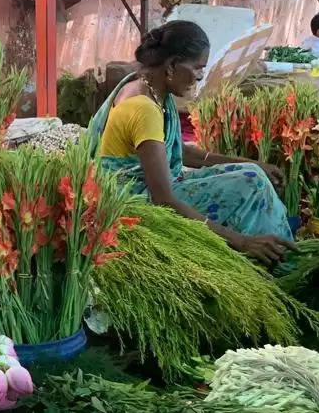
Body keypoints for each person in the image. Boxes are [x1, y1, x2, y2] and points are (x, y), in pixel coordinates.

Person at [87, 21, 295, 266]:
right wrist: (240, 242)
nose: (200, 75)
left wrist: (253, 163)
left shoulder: (150, 89)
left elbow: (181, 152)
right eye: (197, 67)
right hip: (138, 203)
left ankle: (277, 251)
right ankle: (276, 261)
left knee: (252, 175)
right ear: (172, 65)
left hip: (154, 189)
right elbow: (163, 199)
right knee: (249, 188)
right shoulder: (143, 108)